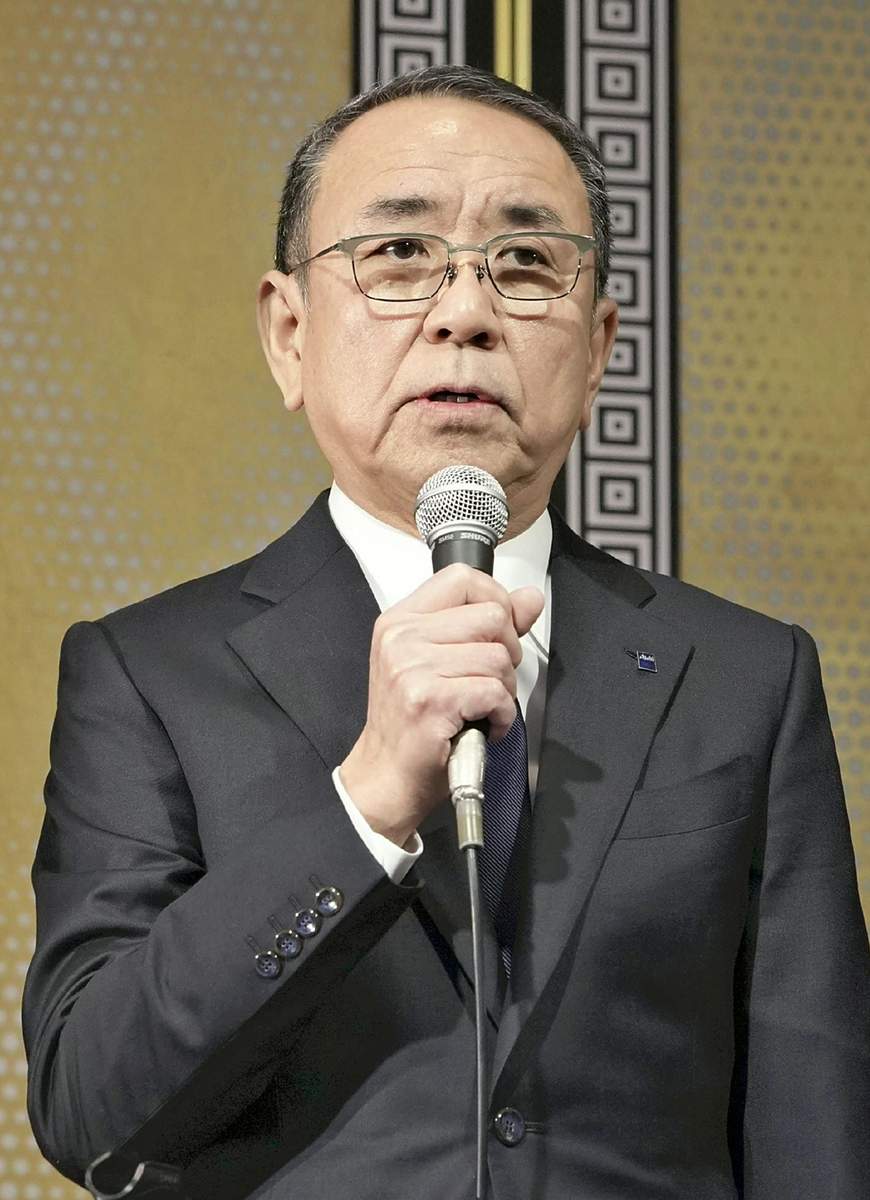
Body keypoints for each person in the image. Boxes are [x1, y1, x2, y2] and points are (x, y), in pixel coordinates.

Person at [23, 66, 869, 1200]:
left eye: (524, 263)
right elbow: (89, 1109)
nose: (465, 312)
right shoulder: (146, 674)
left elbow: (819, 1132)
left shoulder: (747, 678)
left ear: (600, 346)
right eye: (399, 254)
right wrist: (366, 804)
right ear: (288, 333)